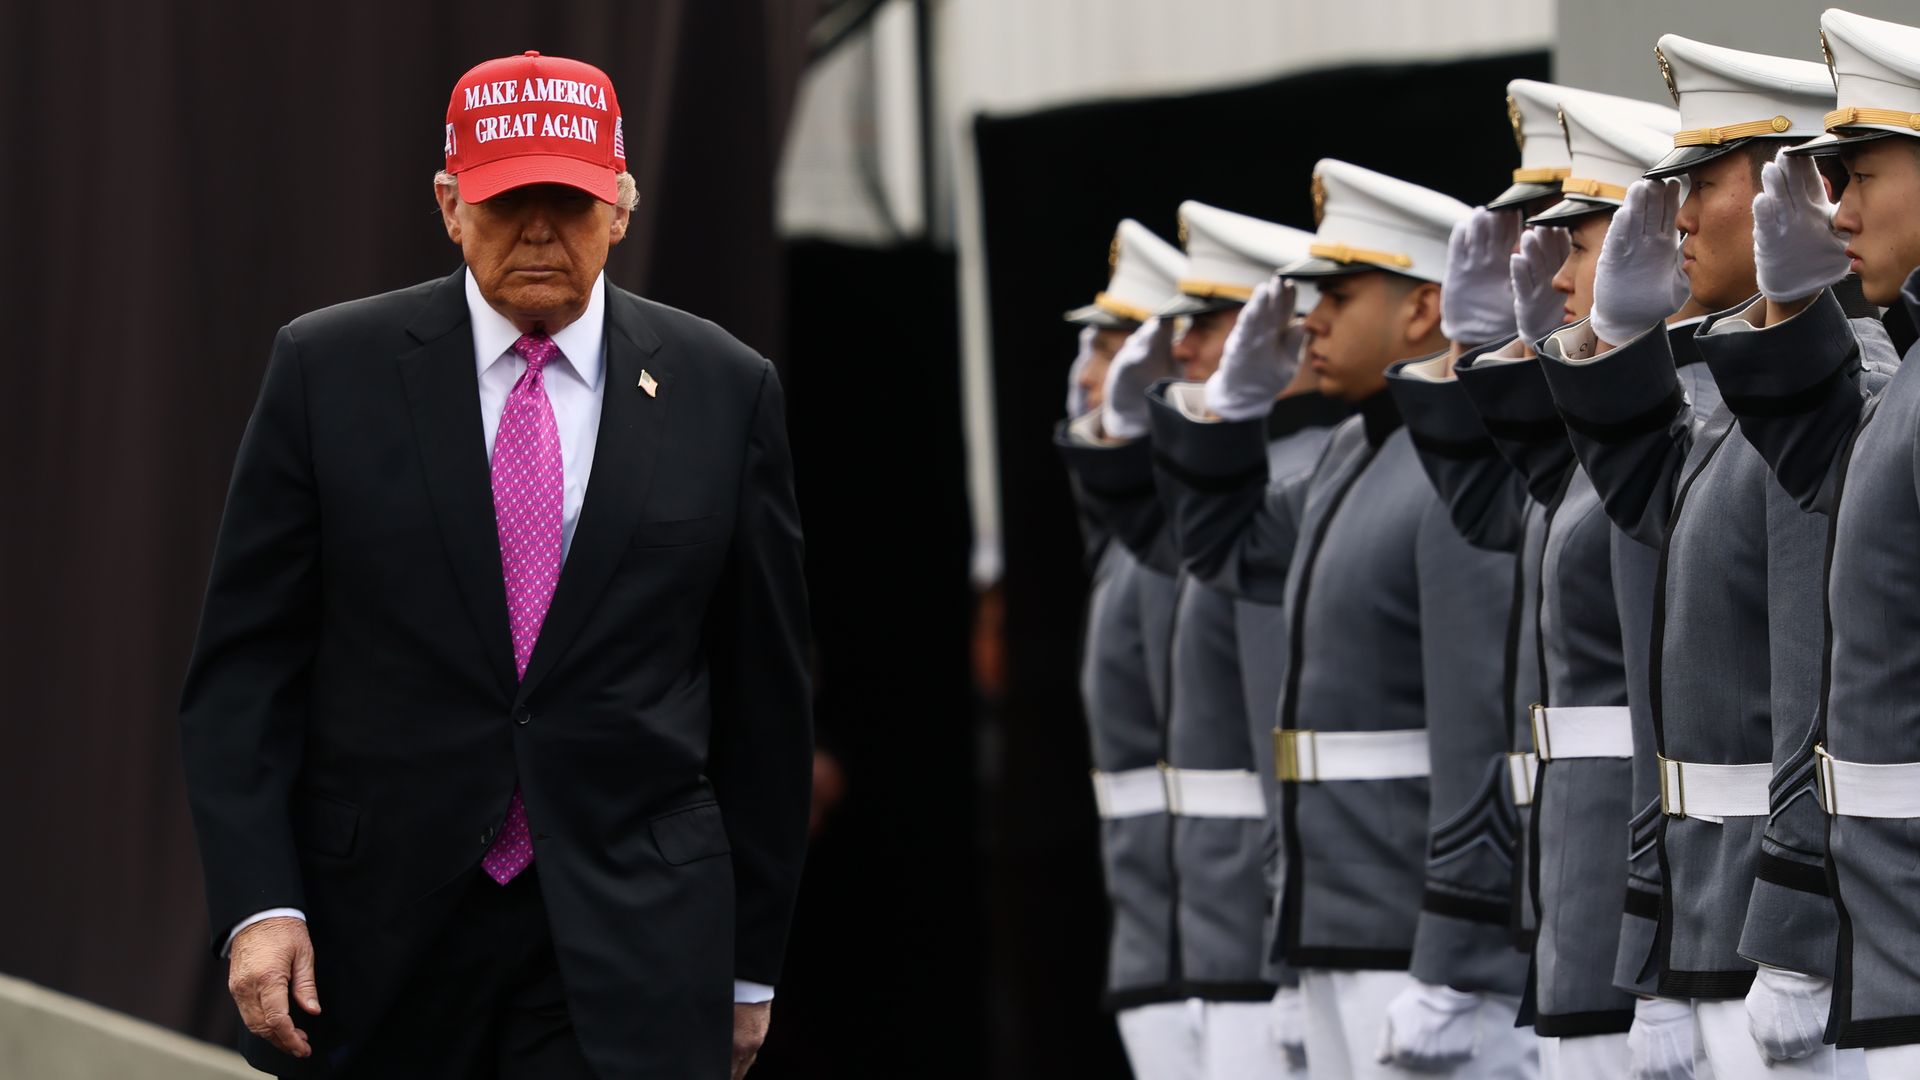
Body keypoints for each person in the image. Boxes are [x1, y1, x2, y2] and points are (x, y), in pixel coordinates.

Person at [178, 51, 812, 1079]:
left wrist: (750, 968)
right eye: (507, 198)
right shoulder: (326, 372)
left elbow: (766, 700)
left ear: (621, 208)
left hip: (630, 939)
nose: (537, 230)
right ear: (448, 205)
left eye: (567, 200)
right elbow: (242, 675)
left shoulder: (722, 391)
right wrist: (261, 904)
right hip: (380, 938)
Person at [1535, 29, 1880, 1080]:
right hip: (1708, 929)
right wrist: (1612, 340)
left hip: (1781, 945)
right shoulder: (1733, 411)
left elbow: (1819, 681)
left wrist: (1795, 929)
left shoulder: (1844, 389)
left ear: (1798, 194)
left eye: (1707, 182)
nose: (1677, 215)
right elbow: (1632, 497)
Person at [1147, 159, 1536, 1080]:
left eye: (1340, 292)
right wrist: (1225, 415)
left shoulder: (1455, 472)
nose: (1309, 318)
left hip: (1412, 934)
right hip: (1329, 923)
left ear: (1422, 309)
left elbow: (1480, 724)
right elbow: (1225, 551)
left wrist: (1456, 959)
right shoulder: (1352, 452)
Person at [1393, 93, 1688, 1080]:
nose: (1555, 273)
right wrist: (1491, 356)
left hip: (1656, 906)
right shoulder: (1624, 425)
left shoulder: (1717, 416)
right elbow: (1503, 513)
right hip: (1573, 886)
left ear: (1666, 227)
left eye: (1581, 239)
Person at [1678, 11, 1920, 1078]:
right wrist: (1784, 308)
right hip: (1881, 932)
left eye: (1863, 172)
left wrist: (1792, 925)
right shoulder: (1901, 385)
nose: (1840, 205)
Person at [1060, 206, 1332, 1078]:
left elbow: (1273, 739)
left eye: (1203, 325)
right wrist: (1113, 442)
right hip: (1187, 934)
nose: (1171, 354)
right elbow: (1140, 529)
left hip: (1253, 939)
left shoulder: (1299, 485)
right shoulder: (1217, 506)